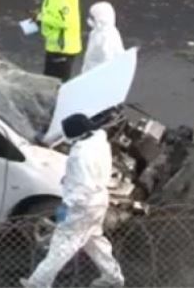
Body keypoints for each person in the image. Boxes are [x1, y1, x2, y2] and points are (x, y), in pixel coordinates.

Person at [21, 114, 124, 288]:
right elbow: (90, 177)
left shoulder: (80, 155)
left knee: (62, 244)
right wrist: (69, 179)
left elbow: (82, 187)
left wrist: (66, 206)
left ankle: (37, 283)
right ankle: (113, 277)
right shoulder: (99, 141)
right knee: (95, 242)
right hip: (99, 200)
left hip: (82, 206)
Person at [34, 0, 82, 81]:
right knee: (49, 85)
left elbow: (65, 22)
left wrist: (41, 18)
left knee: (57, 86)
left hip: (62, 49)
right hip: (55, 47)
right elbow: (55, 14)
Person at [81, 2, 124, 74]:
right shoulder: (95, 33)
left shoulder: (106, 36)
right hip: (90, 74)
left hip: (99, 76)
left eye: (92, 17)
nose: (89, 20)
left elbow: (108, 60)